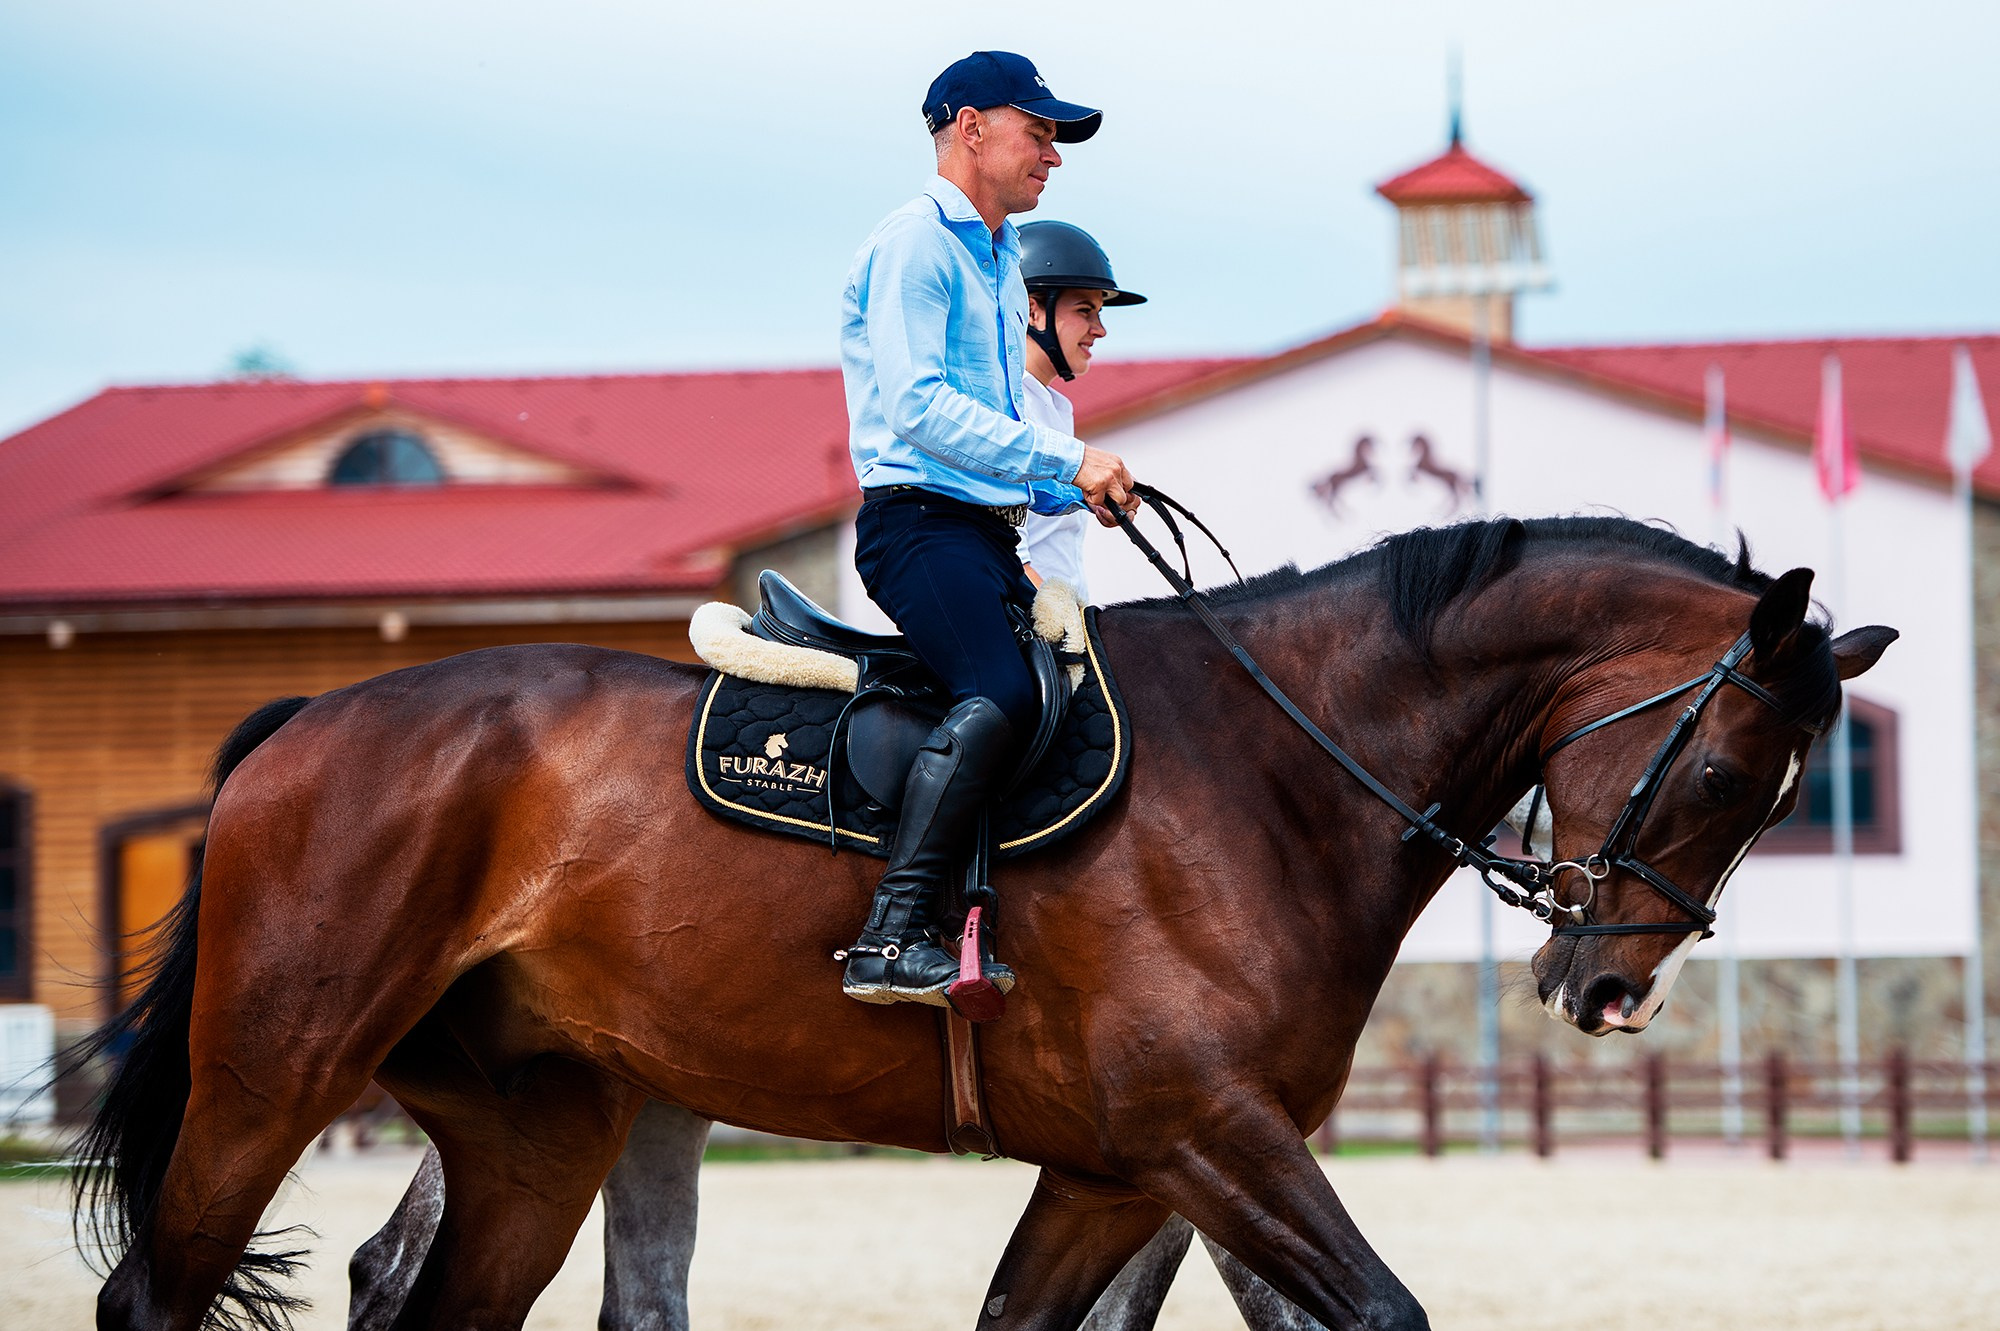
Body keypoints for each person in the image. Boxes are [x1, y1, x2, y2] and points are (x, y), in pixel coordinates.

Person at [838, 51, 1139, 1007]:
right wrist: (1068, 460)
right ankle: (889, 936)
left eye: (1054, 137)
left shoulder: (1001, 258)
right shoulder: (916, 244)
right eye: (1038, 132)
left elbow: (994, 438)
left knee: (1071, 689)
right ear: (970, 128)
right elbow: (919, 409)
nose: (1054, 154)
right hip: (916, 527)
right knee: (1003, 690)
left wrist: (1070, 493)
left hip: (979, 531)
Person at [1015, 220, 1146, 599]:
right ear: (1032, 311)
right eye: (1086, 311)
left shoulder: (1056, 406)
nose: (1099, 329)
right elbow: (1008, 549)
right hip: (1030, 616)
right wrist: (1060, 622)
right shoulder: (1009, 403)